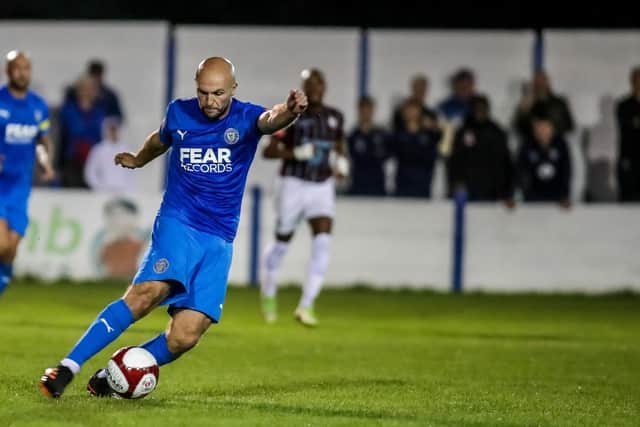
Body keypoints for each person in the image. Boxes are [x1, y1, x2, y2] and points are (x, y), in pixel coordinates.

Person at [39, 57, 308, 398]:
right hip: (179, 221)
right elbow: (160, 138)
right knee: (146, 294)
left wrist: (291, 110)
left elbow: (271, 119)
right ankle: (66, 368)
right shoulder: (180, 112)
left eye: (218, 93)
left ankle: (113, 375)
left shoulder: (246, 117)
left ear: (233, 90)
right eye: (203, 93)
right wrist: (138, 158)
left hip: (220, 238)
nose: (210, 101)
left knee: (185, 336)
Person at [260, 68, 348, 326]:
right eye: (310, 84)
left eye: (319, 84)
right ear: (303, 88)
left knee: (323, 242)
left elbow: (340, 147)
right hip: (292, 184)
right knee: (282, 241)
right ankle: (268, 293)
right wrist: (296, 154)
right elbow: (269, 151)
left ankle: (306, 305)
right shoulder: (290, 116)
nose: (316, 89)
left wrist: (342, 164)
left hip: (322, 186)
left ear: (325, 87)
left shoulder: (335, 117)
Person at [0, 50, 55, 296]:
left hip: (21, 186)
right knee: (1, 244)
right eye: (17, 68)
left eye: (26, 68)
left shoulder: (38, 106)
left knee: (10, 249)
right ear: (8, 71)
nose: (22, 73)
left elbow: (42, 141)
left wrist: (45, 163)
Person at [448, 95, 515, 205]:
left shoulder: (497, 132)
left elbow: (506, 162)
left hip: (494, 191)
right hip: (468, 191)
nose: (480, 111)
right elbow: (455, 162)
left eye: (483, 108)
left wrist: (508, 192)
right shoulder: (462, 132)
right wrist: (455, 185)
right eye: (476, 108)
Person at [58, 75, 106, 188]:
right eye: (84, 89)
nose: (88, 92)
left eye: (91, 89)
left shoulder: (99, 112)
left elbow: (100, 135)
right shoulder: (69, 110)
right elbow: (73, 131)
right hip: (73, 160)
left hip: (94, 158)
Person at [517, 114, 572, 207]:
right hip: (532, 197)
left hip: (556, 197)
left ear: (552, 128)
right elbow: (520, 170)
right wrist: (518, 194)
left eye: (545, 127)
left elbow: (566, 171)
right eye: (539, 128)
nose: (542, 131)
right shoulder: (527, 145)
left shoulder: (560, 144)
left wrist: (565, 195)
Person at [393, 99, 441, 198]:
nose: (411, 113)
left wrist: (433, 128)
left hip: (422, 186)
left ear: (420, 112)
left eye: (414, 109)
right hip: (402, 187)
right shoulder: (397, 135)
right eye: (408, 110)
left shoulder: (429, 135)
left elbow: (436, 153)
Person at [513, 70, 575, 144]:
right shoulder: (527, 104)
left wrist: (551, 129)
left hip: (556, 144)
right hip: (531, 145)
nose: (540, 85)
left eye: (542, 81)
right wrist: (523, 112)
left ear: (548, 83)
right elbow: (518, 128)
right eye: (537, 83)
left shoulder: (559, 103)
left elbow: (570, 126)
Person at [347, 96, 391, 196]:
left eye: (368, 110)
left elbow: (387, 156)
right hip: (358, 185)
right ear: (359, 111)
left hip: (377, 185)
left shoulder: (382, 134)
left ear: (373, 110)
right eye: (363, 110)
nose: (366, 113)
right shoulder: (353, 135)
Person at [84, 117, 136, 192]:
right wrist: (99, 188)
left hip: (123, 191)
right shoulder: (98, 150)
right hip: (103, 192)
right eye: (111, 130)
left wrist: (130, 190)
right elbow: (90, 172)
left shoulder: (127, 150)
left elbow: (132, 174)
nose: (113, 133)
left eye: (115, 130)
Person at [615, 66, 640, 202]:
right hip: (629, 158)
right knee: (628, 197)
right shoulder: (624, 105)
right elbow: (626, 126)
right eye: (636, 80)